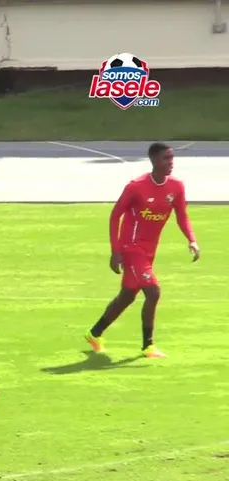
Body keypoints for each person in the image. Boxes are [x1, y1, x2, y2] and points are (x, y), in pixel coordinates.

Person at [85, 142, 200, 358]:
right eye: (167, 158)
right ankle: (148, 345)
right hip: (132, 248)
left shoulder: (176, 187)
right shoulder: (136, 187)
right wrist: (116, 251)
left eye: (172, 158)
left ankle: (94, 333)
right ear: (154, 161)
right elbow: (114, 216)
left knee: (128, 295)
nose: (171, 163)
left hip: (149, 251)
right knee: (153, 291)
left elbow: (182, 215)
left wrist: (192, 240)